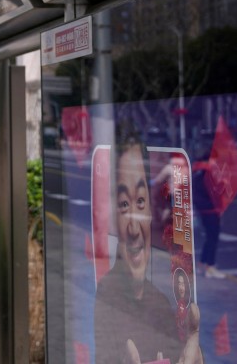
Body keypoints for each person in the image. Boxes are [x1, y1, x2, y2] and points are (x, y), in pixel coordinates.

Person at [94, 131, 179, 364]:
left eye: (140, 201)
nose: (133, 229)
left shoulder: (161, 304)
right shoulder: (107, 297)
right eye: (123, 205)